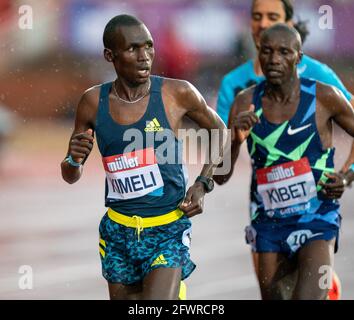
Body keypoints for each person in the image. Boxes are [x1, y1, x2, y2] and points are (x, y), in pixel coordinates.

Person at [60, 14, 226, 300]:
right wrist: (74, 160)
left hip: (167, 227)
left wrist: (202, 184)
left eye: (149, 47)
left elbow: (219, 131)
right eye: (133, 49)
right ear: (110, 55)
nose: (144, 56)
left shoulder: (177, 93)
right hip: (117, 232)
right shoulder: (91, 102)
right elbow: (70, 175)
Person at [214, 0, 354, 299]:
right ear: (258, 52)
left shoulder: (323, 93)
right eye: (267, 51)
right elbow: (220, 174)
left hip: (317, 216)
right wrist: (236, 140)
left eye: (284, 52)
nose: (274, 59)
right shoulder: (242, 100)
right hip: (268, 220)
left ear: (297, 57)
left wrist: (346, 175)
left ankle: (323, 284)